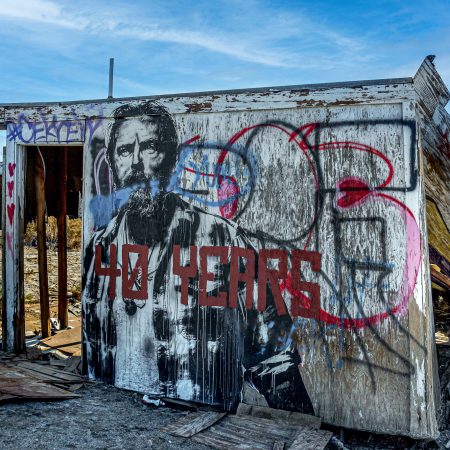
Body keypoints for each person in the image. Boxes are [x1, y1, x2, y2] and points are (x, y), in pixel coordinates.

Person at [83, 101, 314, 413]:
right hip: (119, 422)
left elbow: (275, 360)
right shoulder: (99, 250)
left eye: (150, 147)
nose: (136, 162)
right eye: (125, 151)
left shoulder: (224, 241)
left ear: (171, 159)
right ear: (112, 163)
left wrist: (302, 432)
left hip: (202, 426)